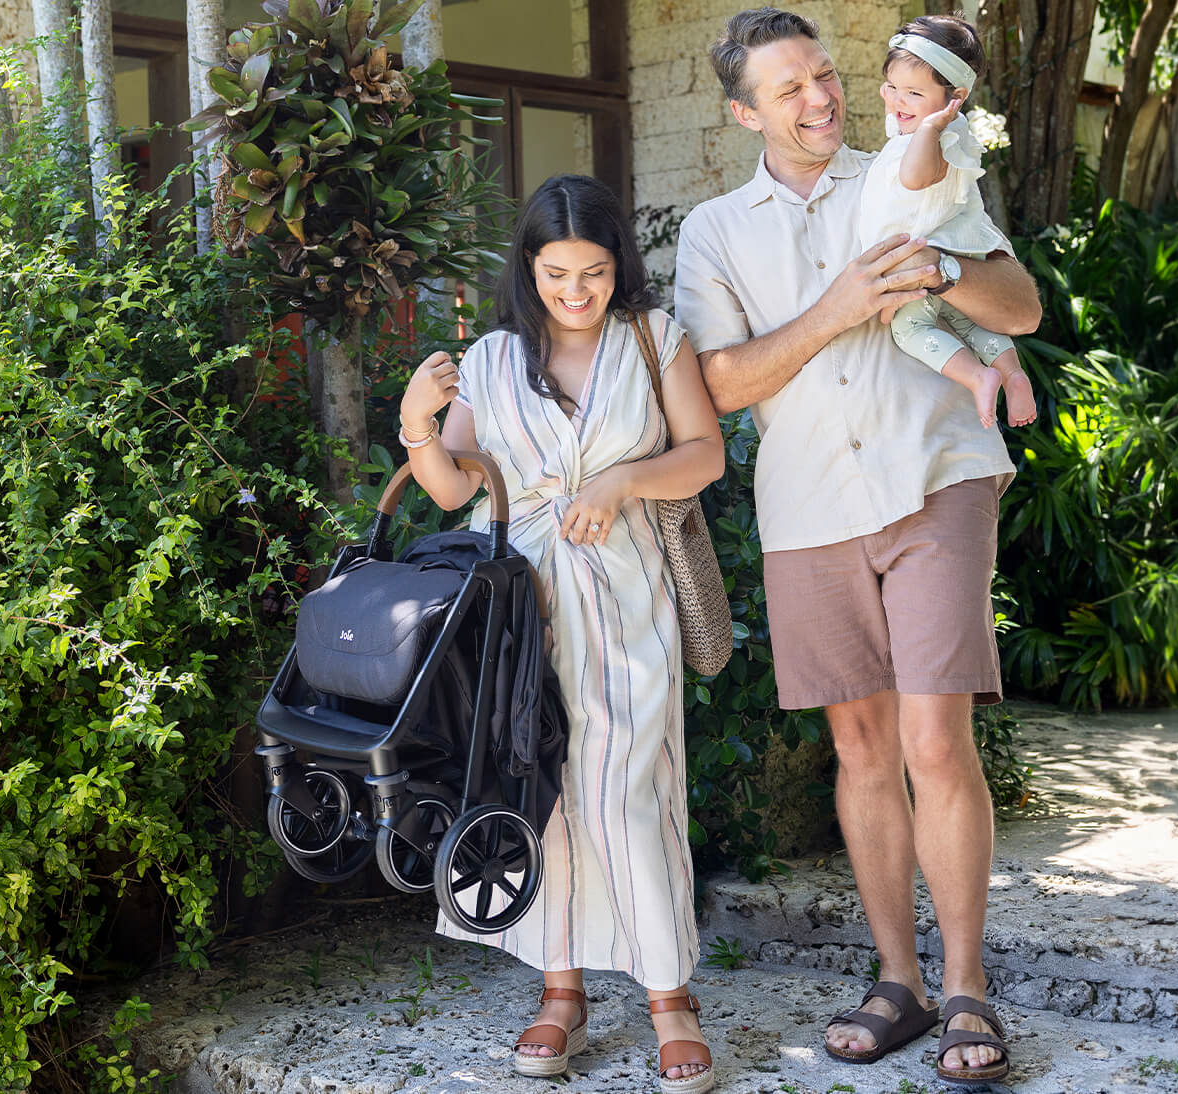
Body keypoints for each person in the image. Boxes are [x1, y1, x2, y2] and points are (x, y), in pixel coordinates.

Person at [674, 8, 1041, 1087]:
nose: (820, 98)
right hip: (807, 505)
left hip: (935, 474)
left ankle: (966, 981)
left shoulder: (911, 169)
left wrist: (932, 270)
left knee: (934, 740)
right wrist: (836, 308)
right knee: (863, 749)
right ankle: (899, 982)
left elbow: (1014, 304)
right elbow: (719, 383)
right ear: (745, 112)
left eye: (824, 75)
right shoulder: (715, 231)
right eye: (787, 89)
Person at [400, 174, 725, 1094]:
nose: (575, 291)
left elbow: (705, 454)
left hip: (627, 593)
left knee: (629, 788)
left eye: (591, 271)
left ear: (618, 265)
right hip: (518, 611)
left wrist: (622, 483)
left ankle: (670, 998)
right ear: (528, 269)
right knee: (534, 780)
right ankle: (561, 992)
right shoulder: (495, 357)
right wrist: (414, 425)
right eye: (555, 273)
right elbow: (456, 489)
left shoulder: (655, 340)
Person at [861, 14, 1037, 431]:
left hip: (920, 265)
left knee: (911, 330)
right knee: (968, 323)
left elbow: (914, 178)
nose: (897, 101)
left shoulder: (939, 138)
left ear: (954, 98)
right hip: (949, 257)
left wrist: (928, 130)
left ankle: (979, 377)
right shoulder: (932, 130)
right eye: (892, 87)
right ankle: (1012, 373)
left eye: (913, 92)